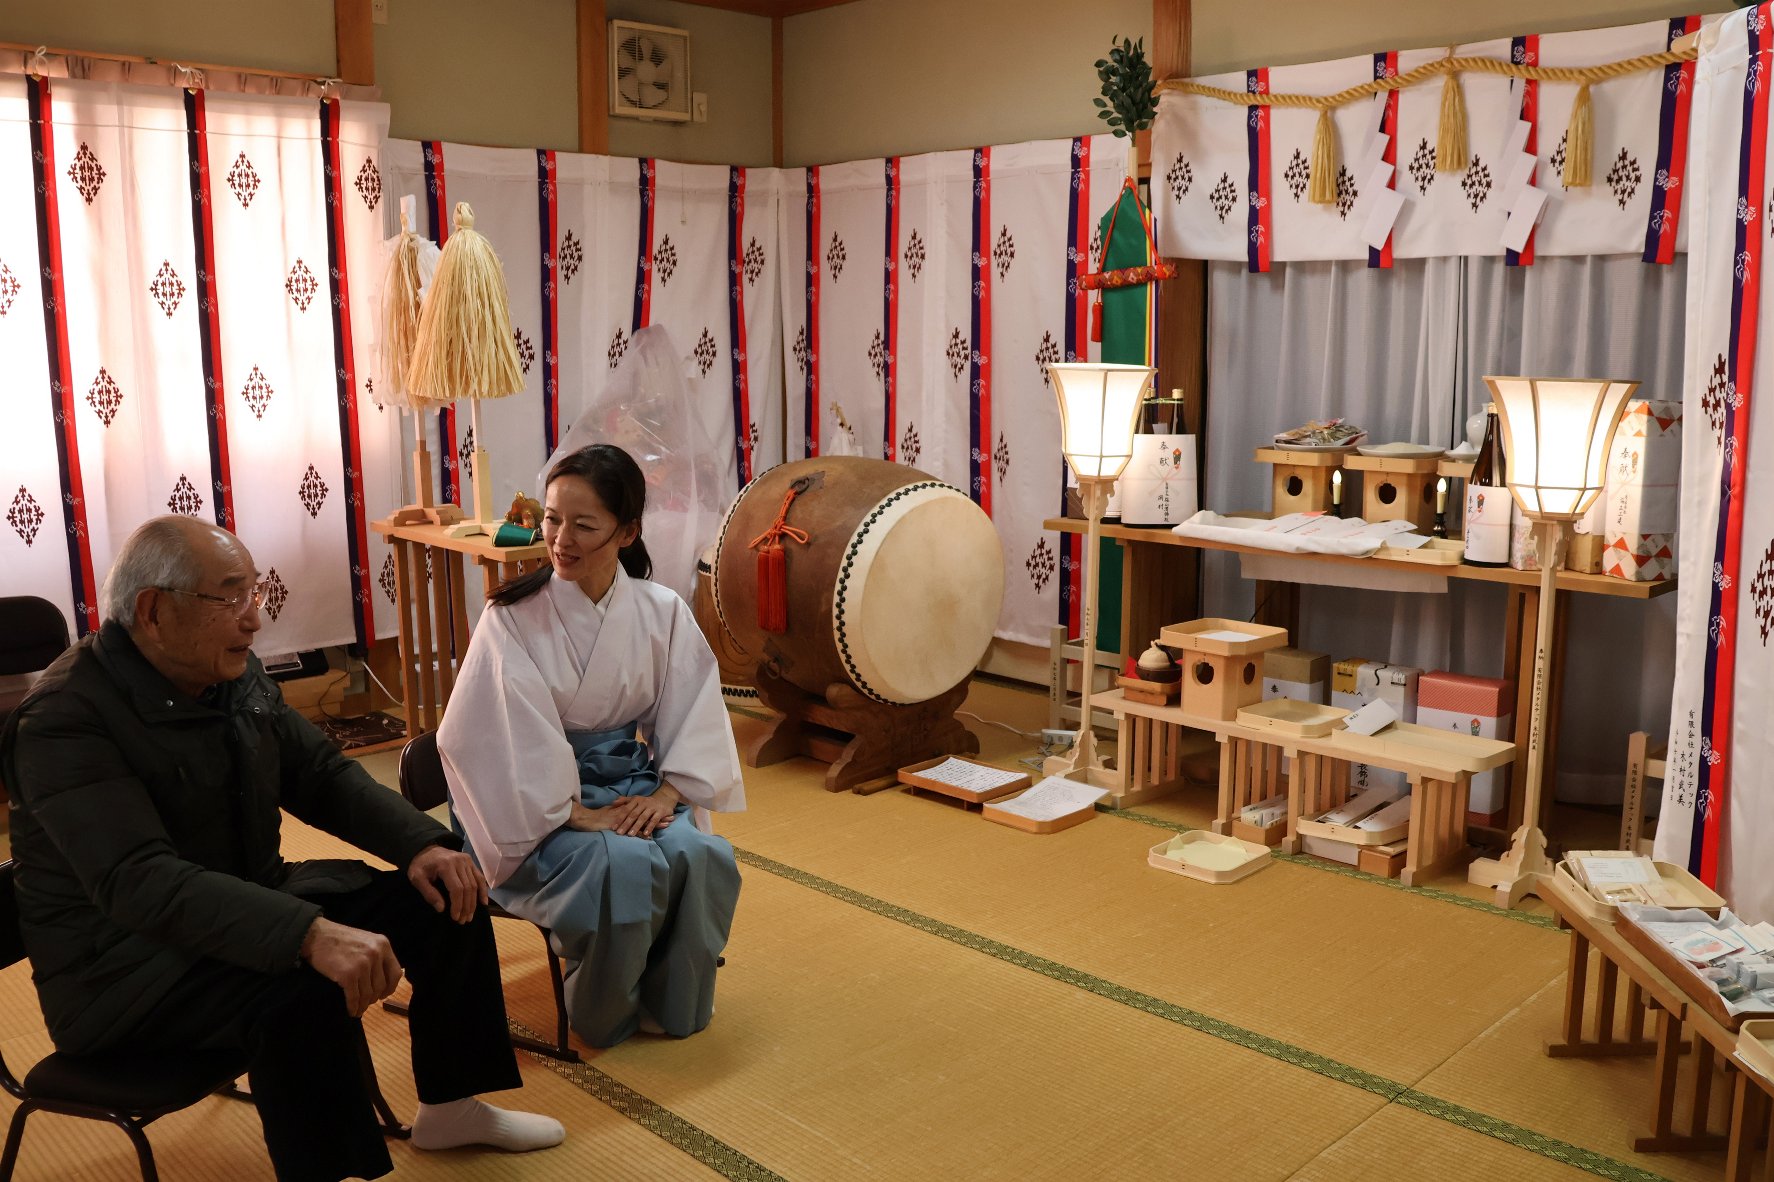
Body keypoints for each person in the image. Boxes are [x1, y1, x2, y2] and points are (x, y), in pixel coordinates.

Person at [0, 516, 564, 1182]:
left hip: (241, 912)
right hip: (125, 973)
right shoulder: (65, 720)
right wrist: (305, 933)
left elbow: (319, 774)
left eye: (255, 593)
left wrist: (419, 845)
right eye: (231, 597)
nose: (255, 620)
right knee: (301, 992)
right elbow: (138, 881)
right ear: (153, 611)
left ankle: (451, 1106)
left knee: (442, 895)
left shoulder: (229, 674)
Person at [440, 443, 744, 1048]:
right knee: (621, 862)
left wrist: (668, 793)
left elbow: (693, 708)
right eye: (552, 519)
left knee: (701, 854)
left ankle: (671, 1001)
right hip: (527, 800)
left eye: (584, 525)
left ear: (627, 532)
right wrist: (574, 812)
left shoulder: (662, 611)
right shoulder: (512, 618)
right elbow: (491, 737)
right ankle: (602, 1011)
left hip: (629, 785)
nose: (561, 539)